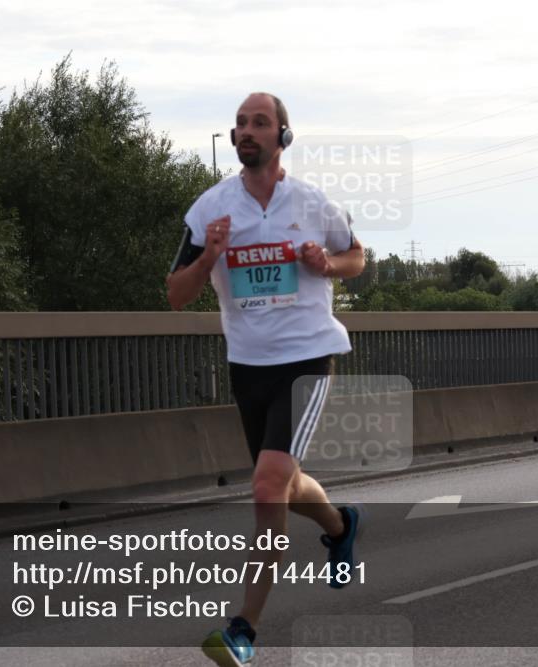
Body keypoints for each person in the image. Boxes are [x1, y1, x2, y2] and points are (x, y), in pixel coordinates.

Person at [166, 92, 366, 667]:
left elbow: (356, 255)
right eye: (240, 124)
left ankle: (244, 629)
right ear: (234, 141)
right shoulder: (208, 210)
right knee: (282, 481)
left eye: (260, 122)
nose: (247, 130)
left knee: (265, 485)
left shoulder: (310, 202)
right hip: (248, 364)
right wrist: (210, 259)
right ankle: (340, 524)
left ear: (283, 136)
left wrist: (326, 265)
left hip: (307, 356)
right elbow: (176, 294)